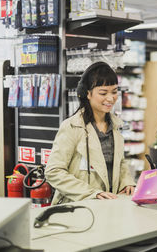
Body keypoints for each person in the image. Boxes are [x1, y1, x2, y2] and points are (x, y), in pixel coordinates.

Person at [45, 62, 136, 205]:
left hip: (110, 205)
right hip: (78, 206)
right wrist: (91, 193)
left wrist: (127, 182)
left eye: (114, 91)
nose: (111, 98)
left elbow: (120, 163)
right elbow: (53, 171)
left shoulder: (116, 125)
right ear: (87, 93)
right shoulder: (72, 126)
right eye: (103, 93)